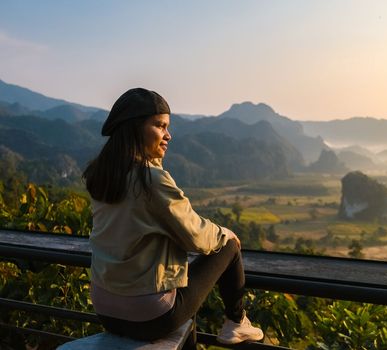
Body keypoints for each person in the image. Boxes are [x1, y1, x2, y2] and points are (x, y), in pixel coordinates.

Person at [83, 88, 264, 345]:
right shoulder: (151, 179)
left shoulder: (101, 174)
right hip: (149, 317)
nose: (168, 135)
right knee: (230, 245)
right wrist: (225, 233)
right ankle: (236, 322)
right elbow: (197, 237)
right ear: (134, 128)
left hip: (105, 309)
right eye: (160, 125)